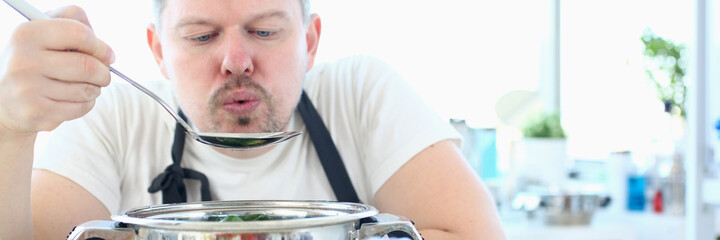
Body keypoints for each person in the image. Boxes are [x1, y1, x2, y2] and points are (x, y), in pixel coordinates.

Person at [0, 0, 505, 239]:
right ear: (157, 50)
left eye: (264, 32)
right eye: (201, 36)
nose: (237, 61)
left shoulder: (362, 92)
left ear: (309, 41)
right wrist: (10, 130)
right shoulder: (115, 110)